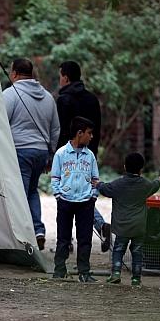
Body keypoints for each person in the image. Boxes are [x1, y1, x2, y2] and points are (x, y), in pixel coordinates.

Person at [3, 58, 60, 251]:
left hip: (20, 151)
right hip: (41, 152)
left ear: (14, 74)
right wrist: (50, 155)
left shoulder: (10, 95)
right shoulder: (47, 97)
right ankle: (38, 230)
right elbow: (55, 129)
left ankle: (22, 236)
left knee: (19, 194)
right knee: (32, 191)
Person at [56, 61, 112, 252]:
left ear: (66, 77)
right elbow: (98, 127)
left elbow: (62, 131)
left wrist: (56, 155)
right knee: (83, 194)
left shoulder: (64, 100)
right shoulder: (92, 99)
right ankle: (100, 225)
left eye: (60, 76)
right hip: (90, 153)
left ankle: (67, 241)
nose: (59, 80)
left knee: (67, 195)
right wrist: (93, 151)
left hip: (68, 154)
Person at [95, 152, 160, 287]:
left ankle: (115, 274)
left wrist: (98, 184)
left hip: (122, 226)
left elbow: (105, 189)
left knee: (119, 249)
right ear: (141, 169)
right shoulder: (145, 185)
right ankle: (136, 279)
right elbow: (154, 186)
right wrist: (159, 181)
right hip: (139, 226)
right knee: (137, 252)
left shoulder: (118, 184)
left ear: (125, 167)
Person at [50, 116, 99, 283]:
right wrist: (58, 195)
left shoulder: (90, 156)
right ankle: (59, 270)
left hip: (85, 203)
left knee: (85, 239)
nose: (91, 137)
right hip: (65, 201)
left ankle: (84, 272)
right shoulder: (61, 154)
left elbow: (95, 178)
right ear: (79, 133)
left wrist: (92, 195)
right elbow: (55, 177)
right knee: (63, 238)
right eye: (89, 133)